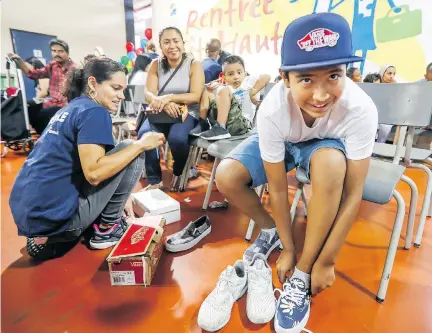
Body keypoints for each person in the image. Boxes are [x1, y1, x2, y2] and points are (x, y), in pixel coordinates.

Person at [214, 13, 377, 333]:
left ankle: (301, 277)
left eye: (334, 75)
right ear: (284, 77)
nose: (320, 95)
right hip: (285, 139)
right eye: (305, 79)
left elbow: (353, 194)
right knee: (227, 176)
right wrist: (287, 248)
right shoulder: (273, 109)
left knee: (331, 164)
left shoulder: (360, 109)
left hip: (325, 146)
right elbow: (277, 188)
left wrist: (325, 261)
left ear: (348, 73)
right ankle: (269, 230)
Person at [9, 57, 165, 261]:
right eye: (115, 88)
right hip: (57, 224)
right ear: (93, 83)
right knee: (131, 150)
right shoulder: (95, 112)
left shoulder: (70, 109)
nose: (120, 96)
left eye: (122, 90)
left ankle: (59, 231)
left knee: (124, 152)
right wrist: (142, 144)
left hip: (34, 218)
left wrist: (122, 197)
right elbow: (94, 173)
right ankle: (107, 229)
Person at [137, 27, 205, 191]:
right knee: (144, 135)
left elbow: (195, 96)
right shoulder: (156, 64)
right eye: (166, 42)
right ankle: (154, 180)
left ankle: (180, 170)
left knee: (178, 139)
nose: (172, 46)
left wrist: (170, 98)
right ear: (160, 46)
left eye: (176, 41)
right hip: (160, 112)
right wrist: (165, 104)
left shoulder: (194, 65)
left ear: (183, 43)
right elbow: (148, 93)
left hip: (186, 112)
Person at [190, 55, 270, 140]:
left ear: (245, 73)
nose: (236, 77)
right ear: (224, 77)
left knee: (224, 90)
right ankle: (203, 125)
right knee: (207, 93)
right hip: (227, 123)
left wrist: (253, 92)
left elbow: (266, 76)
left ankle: (221, 128)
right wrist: (211, 89)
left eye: (239, 72)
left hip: (242, 125)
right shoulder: (225, 87)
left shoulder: (248, 81)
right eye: (231, 74)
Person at [8, 39, 76, 134]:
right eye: (54, 51)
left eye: (60, 51)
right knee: (28, 107)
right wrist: (19, 61)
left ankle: (49, 135)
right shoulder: (52, 65)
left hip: (67, 105)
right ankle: (42, 135)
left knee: (44, 113)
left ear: (67, 53)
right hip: (52, 103)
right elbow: (33, 74)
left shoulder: (74, 69)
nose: (57, 54)